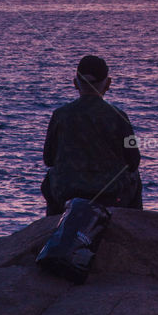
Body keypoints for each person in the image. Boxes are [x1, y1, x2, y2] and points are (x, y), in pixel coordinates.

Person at [41, 54, 143, 216]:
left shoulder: (60, 115)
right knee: (135, 177)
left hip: (66, 193)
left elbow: (48, 159)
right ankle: (133, 225)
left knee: (51, 176)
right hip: (110, 195)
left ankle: (54, 225)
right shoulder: (119, 116)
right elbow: (133, 162)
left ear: (75, 83)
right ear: (108, 84)